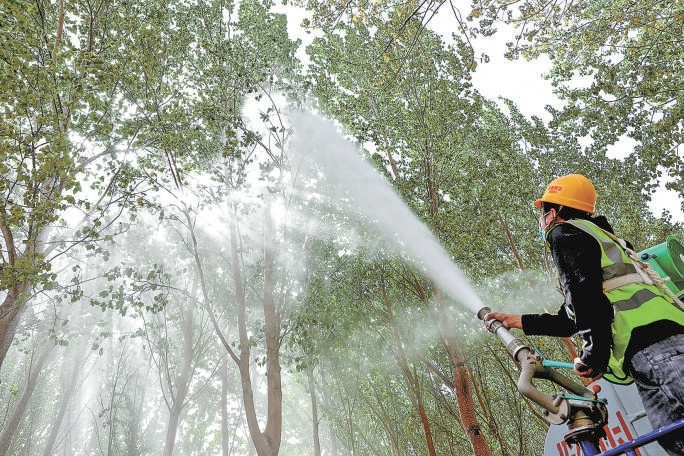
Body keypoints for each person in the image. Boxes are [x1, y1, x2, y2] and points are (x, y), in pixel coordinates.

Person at [485, 173, 684, 456]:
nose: (542, 223)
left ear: (552, 212)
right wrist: (518, 321)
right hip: (667, 344)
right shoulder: (603, 239)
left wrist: (593, 356)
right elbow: (575, 317)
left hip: (653, 353)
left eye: (542, 215)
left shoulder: (563, 234)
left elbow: (586, 300)